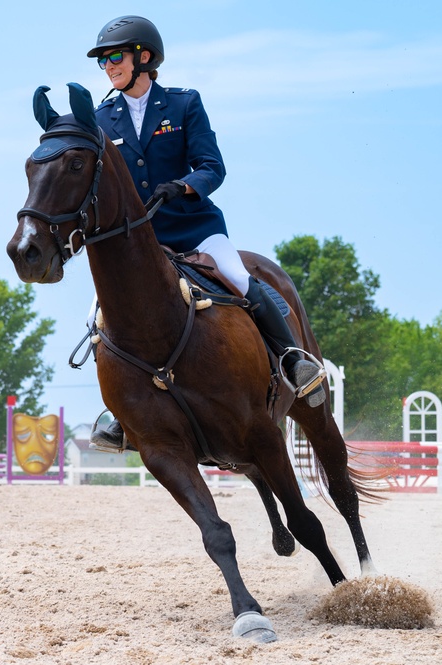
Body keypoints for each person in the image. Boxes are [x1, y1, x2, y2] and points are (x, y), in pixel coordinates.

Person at [86, 16, 326, 451]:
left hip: (196, 228)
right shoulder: (103, 118)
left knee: (239, 278)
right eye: (103, 60)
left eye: (114, 56)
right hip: (144, 245)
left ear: (143, 57)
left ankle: (293, 360)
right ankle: (120, 413)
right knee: (100, 315)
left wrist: (183, 185)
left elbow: (212, 166)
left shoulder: (182, 104)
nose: (108, 65)